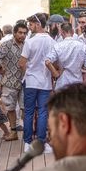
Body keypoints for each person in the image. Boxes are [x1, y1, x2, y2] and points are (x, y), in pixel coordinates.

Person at [19, 13, 55, 154]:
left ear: (38, 24)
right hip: (45, 81)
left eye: (31, 24)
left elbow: (21, 62)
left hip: (31, 81)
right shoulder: (52, 41)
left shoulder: (30, 41)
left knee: (28, 112)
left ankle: (27, 142)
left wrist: (29, 68)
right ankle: (42, 143)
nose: (29, 27)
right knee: (43, 112)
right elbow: (55, 61)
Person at [0, 21, 28, 139]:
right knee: (10, 108)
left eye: (24, 33)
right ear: (14, 33)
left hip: (25, 81)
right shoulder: (7, 44)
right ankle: (13, 132)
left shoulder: (28, 45)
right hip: (10, 81)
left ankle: (28, 132)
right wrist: (0, 67)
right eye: (20, 33)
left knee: (25, 108)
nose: (22, 35)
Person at [45, 22, 86, 90]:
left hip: (62, 83)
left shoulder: (57, 46)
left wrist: (56, 74)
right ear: (72, 31)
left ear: (62, 32)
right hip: (77, 83)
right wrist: (78, 67)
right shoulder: (83, 46)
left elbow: (47, 61)